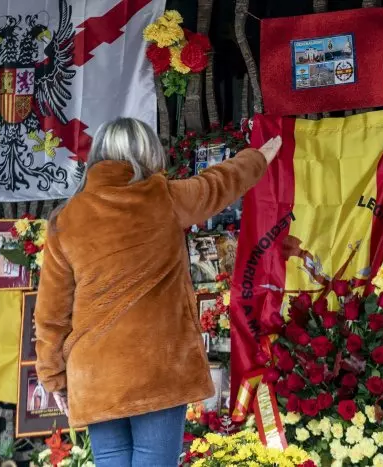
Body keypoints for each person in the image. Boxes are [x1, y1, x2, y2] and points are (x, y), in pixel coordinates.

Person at [34, 117, 281, 467]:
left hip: (95, 374)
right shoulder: (165, 197)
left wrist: (53, 377)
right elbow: (220, 183)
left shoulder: (65, 220)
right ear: (148, 152)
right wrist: (260, 155)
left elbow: (50, 314)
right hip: (158, 369)